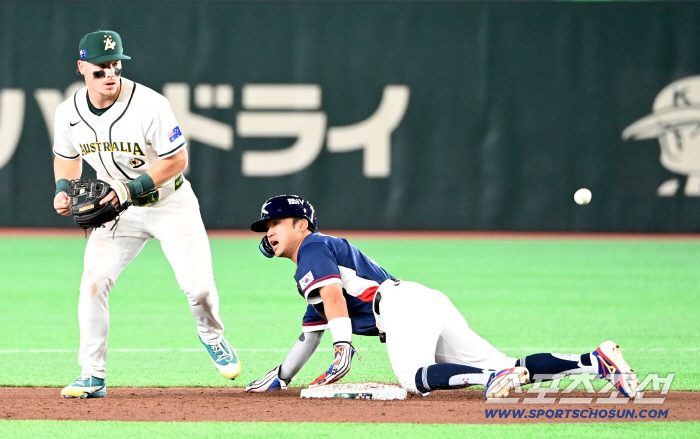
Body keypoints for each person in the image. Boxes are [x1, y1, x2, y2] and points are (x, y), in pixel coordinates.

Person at [245, 195, 639, 398]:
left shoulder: (313, 247)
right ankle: (596, 361)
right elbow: (310, 333)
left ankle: (492, 378)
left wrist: (343, 346)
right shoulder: (314, 268)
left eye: (277, 223)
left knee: (413, 378)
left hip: (399, 308)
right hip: (421, 300)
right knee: (509, 365)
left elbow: (333, 298)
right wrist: (281, 377)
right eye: (267, 226)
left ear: (302, 225)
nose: (270, 231)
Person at [52, 30, 240, 398]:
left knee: (199, 289)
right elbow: (67, 157)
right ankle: (92, 375)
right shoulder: (67, 112)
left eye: (115, 65)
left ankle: (212, 336)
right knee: (93, 282)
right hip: (116, 210)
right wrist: (62, 187)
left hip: (170, 203)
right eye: (100, 68)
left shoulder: (150, 104)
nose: (110, 74)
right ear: (82, 68)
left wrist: (131, 188)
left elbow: (177, 160)